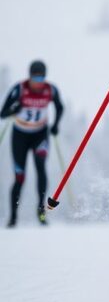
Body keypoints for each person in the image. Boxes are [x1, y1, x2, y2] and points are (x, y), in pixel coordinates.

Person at [0, 60, 64, 227]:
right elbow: (3, 113)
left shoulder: (50, 90)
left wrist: (56, 124)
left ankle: (40, 212)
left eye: (41, 78)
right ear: (29, 77)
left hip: (40, 135)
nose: (38, 82)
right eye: (35, 78)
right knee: (19, 178)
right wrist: (14, 109)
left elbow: (60, 106)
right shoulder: (19, 89)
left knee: (40, 166)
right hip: (20, 137)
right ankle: (13, 217)